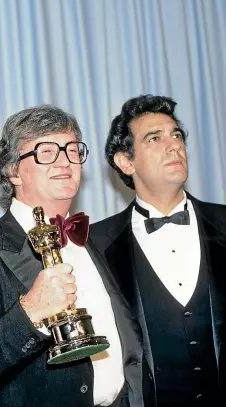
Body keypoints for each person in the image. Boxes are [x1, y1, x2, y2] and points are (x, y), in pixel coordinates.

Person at [0, 105, 142, 407]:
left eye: (71, 150)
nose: (64, 161)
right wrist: (30, 311)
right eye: (46, 152)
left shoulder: (98, 240)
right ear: (13, 171)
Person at [90, 94, 224, 406]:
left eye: (176, 134)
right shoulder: (95, 244)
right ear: (126, 161)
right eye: (155, 138)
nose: (174, 144)